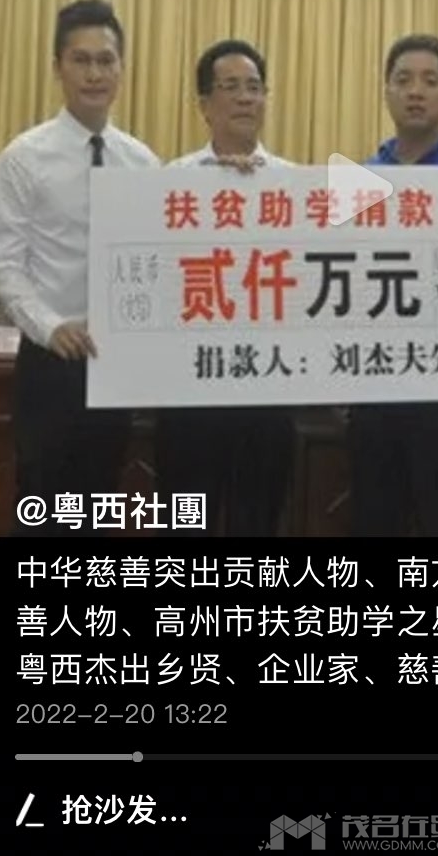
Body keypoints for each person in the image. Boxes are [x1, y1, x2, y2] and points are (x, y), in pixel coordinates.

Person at [0, 0, 160, 536]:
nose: (94, 73)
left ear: (121, 69)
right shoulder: (23, 158)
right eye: (81, 60)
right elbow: (7, 268)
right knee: (43, 511)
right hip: (51, 364)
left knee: (100, 509)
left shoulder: (143, 162)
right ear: (57, 67)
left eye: (106, 61)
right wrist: (51, 327)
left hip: (116, 364)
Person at [348, 34, 438, 536]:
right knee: (373, 519)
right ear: (385, 91)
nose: (416, 91)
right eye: (403, 80)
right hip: (374, 383)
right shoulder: (361, 179)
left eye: (430, 81)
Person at [154, 40, 295, 536]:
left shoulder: (296, 185)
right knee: (184, 523)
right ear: (204, 104)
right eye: (230, 87)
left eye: (254, 88)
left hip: (267, 387)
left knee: (257, 523)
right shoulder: (169, 182)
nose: (245, 98)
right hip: (189, 389)